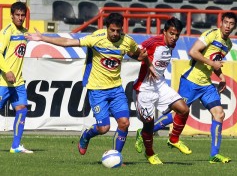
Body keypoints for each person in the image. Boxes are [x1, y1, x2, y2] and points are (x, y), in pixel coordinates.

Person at [25, 13, 156, 160]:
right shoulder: (96, 38)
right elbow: (68, 42)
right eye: (112, 30)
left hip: (116, 88)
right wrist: (43, 38)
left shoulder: (127, 41)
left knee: (124, 123)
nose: (115, 34)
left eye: (118, 31)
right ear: (106, 28)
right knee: (103, 128)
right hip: (97, 89)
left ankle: (116, 156)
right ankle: (86, 135)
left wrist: (145, 60)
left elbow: (136, 54)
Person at [136, 12, 237, 164]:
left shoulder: (228, 44)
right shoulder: (211, 35)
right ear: (221, 22)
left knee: (219, 114)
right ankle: (144, 132)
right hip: (191, 81)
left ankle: (214, 155)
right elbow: (193, 52)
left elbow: (214, 62)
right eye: (226, 22)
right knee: (179, 112)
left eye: (231, 23)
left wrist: (221, 76)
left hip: (206, 84)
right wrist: (212, 64)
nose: (228, 26)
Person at [133, 17, 191, 165]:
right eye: (171, 33)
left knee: (183, 109)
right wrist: (146, 61)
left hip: (160, 85)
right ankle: (150, 153)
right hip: (144, 89)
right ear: (164, 32)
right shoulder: (154, 42)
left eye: (177, 34)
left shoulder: (172, 44)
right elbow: (135, 51)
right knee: (149, 124)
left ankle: (173, 139)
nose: (174, 37)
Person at [0, 1, 33, 154]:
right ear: (11, 16)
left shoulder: (25, 32)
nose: (20, 18)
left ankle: (15, 146)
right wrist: (7, 70)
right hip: (3, 82)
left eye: (22, 15)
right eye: (17, 15)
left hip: (18, 82)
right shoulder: (7, 31)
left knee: (22, 109)